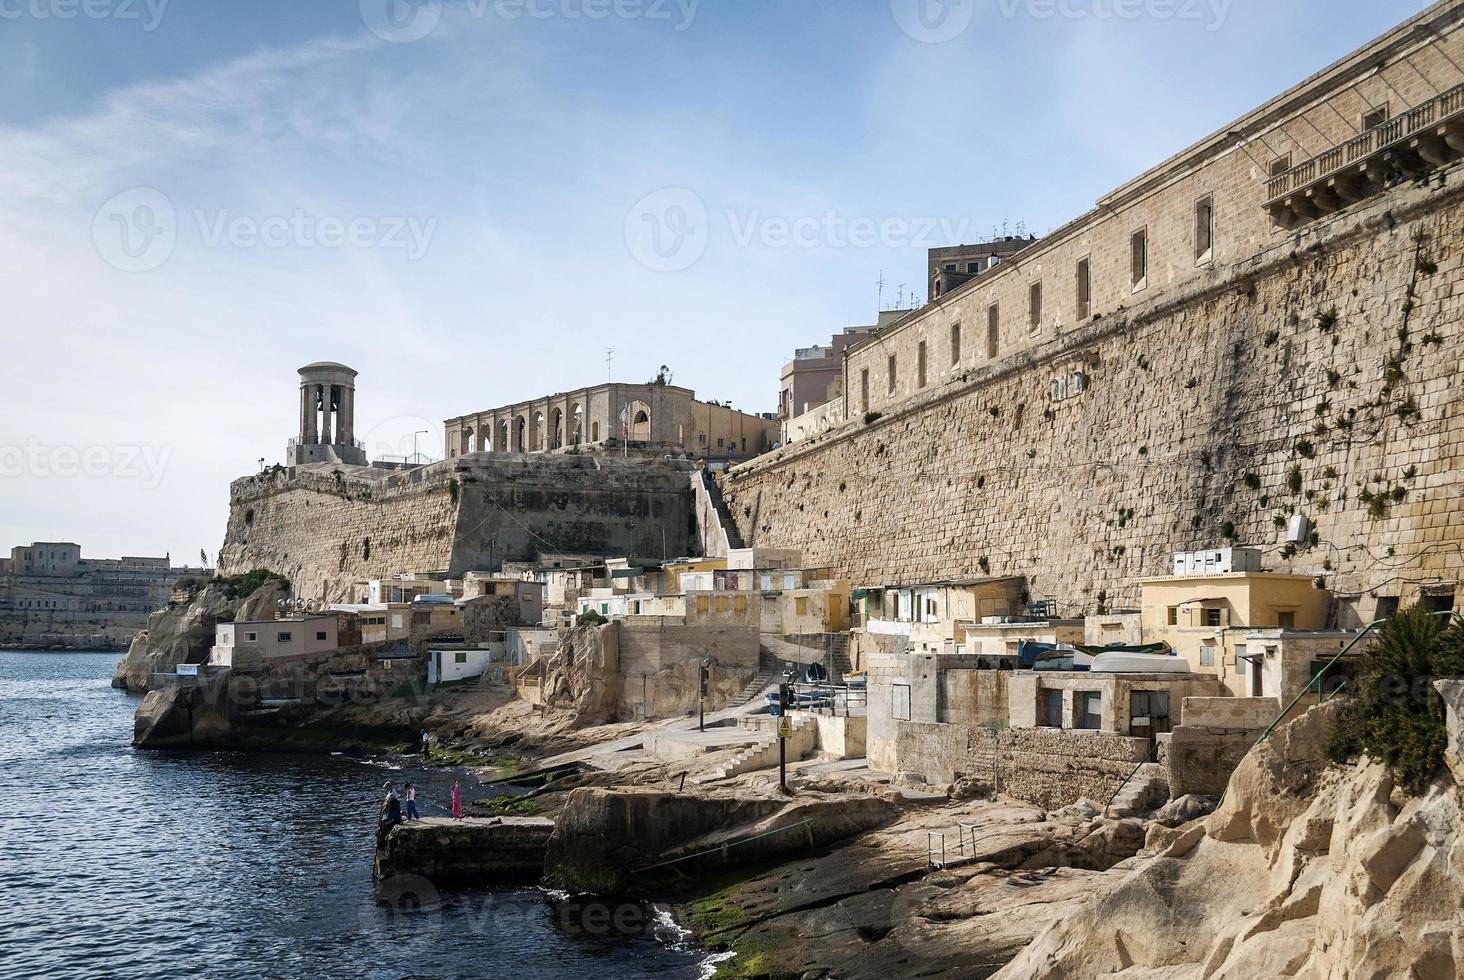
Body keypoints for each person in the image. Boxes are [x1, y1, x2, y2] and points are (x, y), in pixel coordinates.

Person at [377, 781, 403, 850]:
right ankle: (382, 837)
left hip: (394, 815)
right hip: (391, 813)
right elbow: (386, 799)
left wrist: (385, 802)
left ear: (389, 786)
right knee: (383, 822)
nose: (386, 789)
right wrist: (382, 800)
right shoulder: (389, 792)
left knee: (385, 823)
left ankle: (383, 839)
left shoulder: (392, 793)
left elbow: (389, 799)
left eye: (386, 787)